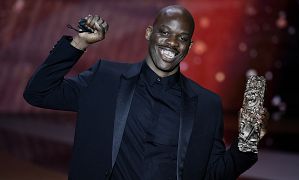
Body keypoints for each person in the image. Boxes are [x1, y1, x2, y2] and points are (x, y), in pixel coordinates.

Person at [24, 5, 265, 180]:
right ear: (149, 33)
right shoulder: (105, 79)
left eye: (182, 38)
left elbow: (213, 174)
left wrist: (249, 140)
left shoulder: (206, 105)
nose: (172, 43)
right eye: (164, 32)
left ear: (189, 46)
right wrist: (80, 43)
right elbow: (39, 92)